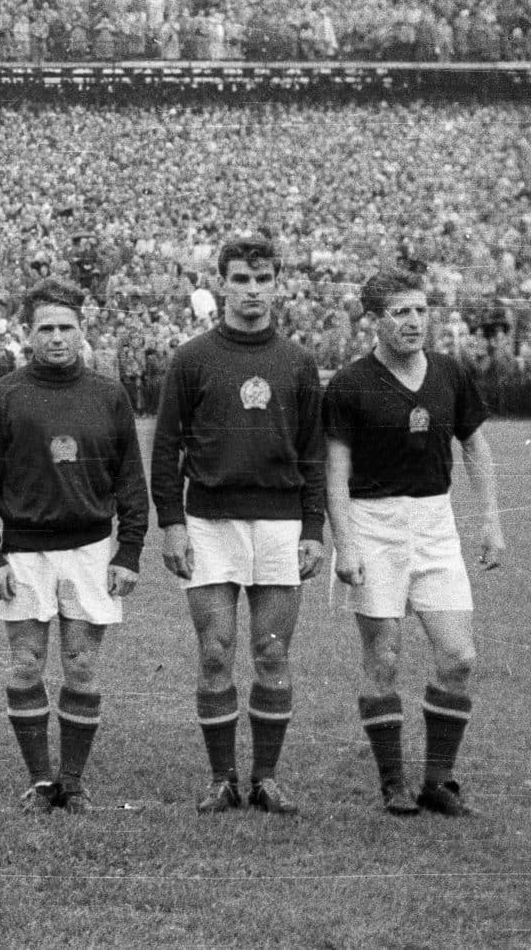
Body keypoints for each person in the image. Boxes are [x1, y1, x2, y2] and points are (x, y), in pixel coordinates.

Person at [150, 234, 326, 816]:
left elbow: (313, 454)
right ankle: (222, 778)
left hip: (279, 523)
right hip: (209, 521)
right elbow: (166, 445)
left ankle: (266, 777)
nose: (252, 291)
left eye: (263, 279)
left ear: (278, 284)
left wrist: (312, 530)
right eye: (241, 280)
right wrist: (171, 523)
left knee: (272, 652)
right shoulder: (192, 358)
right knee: (216, 651)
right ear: (222, 283)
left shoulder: (297, 363)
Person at [324, 269, 505, 816]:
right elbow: (334, 473)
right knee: (384, 659)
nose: (414, 322)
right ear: (374, 321)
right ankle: (393, 782)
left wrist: (491, 520)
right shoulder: (351, 384)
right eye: (400, 312)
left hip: (435, 523)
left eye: (421, 311)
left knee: (459, 655)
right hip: (373, 523)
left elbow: (475, 449)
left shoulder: (450, 373)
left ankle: (439, 781)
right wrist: (347, 543)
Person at [0, 279, 147, 813]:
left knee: (83, 665)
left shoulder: (109, 394)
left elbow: (130, 481)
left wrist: (129, 551)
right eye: (46, 328)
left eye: (67, 327)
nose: (57, 337)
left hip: (91, 547)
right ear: (28, 334)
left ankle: (73, 780)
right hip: (22, 550)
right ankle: (41, 780)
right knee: (26, 664)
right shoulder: (3, 395)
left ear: (82, 331)